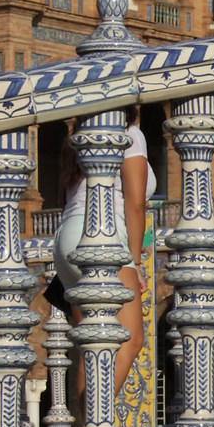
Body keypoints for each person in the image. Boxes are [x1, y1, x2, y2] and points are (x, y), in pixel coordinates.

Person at [51, 106, 155, 411]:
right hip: (102, 236)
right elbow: (135, 204)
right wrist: (134, 263)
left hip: (67, 240)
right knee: (131, 339)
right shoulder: (130, 134)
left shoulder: (76, 136)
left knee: (92, 346)